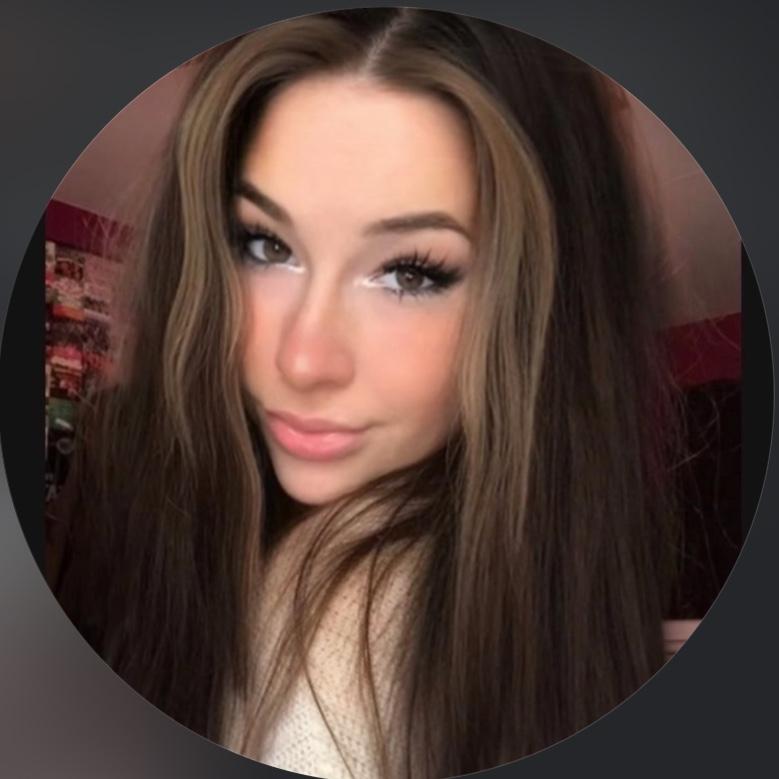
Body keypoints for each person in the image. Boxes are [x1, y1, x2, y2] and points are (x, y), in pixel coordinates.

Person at [48, 8, 684, 779]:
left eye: (409, 272)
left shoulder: (346, 635)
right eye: (266, 244)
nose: (303, 358)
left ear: (543, 312)